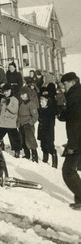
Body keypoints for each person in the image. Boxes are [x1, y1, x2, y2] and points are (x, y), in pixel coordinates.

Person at [58, 72, 81, 210]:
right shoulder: (76, 94)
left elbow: (76, 122)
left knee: (68, 170)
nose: (63, 87)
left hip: (77, 139)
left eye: (65, 84)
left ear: (72, 82)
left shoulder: (75, 96)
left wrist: (72, 144)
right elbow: (72, 114)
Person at [0, 83, 22, 158]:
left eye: (7, 91)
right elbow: (0, 110)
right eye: (4, 91)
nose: (6, 93)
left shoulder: (15, 100)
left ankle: (17, 151)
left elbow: (15, 110)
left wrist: (8, 105)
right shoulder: (2, 99)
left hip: (10, 122)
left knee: (14, 138)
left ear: (11, 91)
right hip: (2, 122)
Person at [18, 87, 39, 162]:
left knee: (30, 140)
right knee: (23, 140)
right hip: (21, 124)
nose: (22, 96)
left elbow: (35, 116)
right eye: (21, 94)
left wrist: (30, 123)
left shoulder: (31, 104)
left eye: (23, 94)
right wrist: (18, 123)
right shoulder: (21, 104)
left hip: (28, 125)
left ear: (27, 94)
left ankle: (34, 156)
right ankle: (27, 154)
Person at [38, 95, 58, 168]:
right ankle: (45, 159)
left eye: (42, 101)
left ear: (47, 102)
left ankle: (54, 162)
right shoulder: (41, 110)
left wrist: (48, 131)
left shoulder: (50, 111)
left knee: (50, 147)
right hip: (42, 131)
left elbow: (51, 124)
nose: (41, 103)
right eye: (40, 101)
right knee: (43, 145)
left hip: (48, 132)